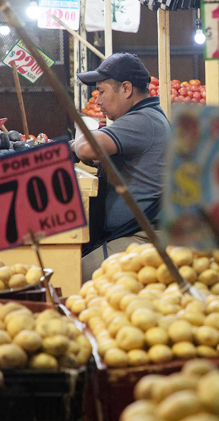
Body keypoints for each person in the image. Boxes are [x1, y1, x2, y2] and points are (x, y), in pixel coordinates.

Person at [73, 53, 170, 281]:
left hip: (140, 240)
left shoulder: (142, 120)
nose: (97, 101)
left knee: (68, 277)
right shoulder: (147, 118)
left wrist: (78, 139)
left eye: (102, 91)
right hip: (132, 235)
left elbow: (87, 148)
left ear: (126, 89)